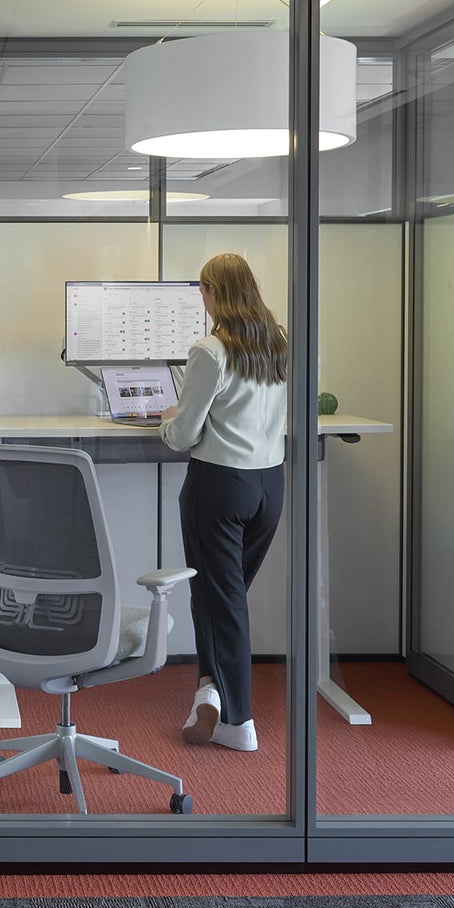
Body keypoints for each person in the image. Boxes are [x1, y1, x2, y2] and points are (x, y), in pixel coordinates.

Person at [157, 253, 288, 752]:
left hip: (219, 485)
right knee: (223, 599)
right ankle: (209, 693)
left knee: (221, 602)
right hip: (268, 486)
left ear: (214, 292)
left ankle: (239, 721)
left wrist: (167, 421)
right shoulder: (275, 341)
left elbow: (184, 433)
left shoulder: (210, 350)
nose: (202, 300)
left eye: (202, 290)